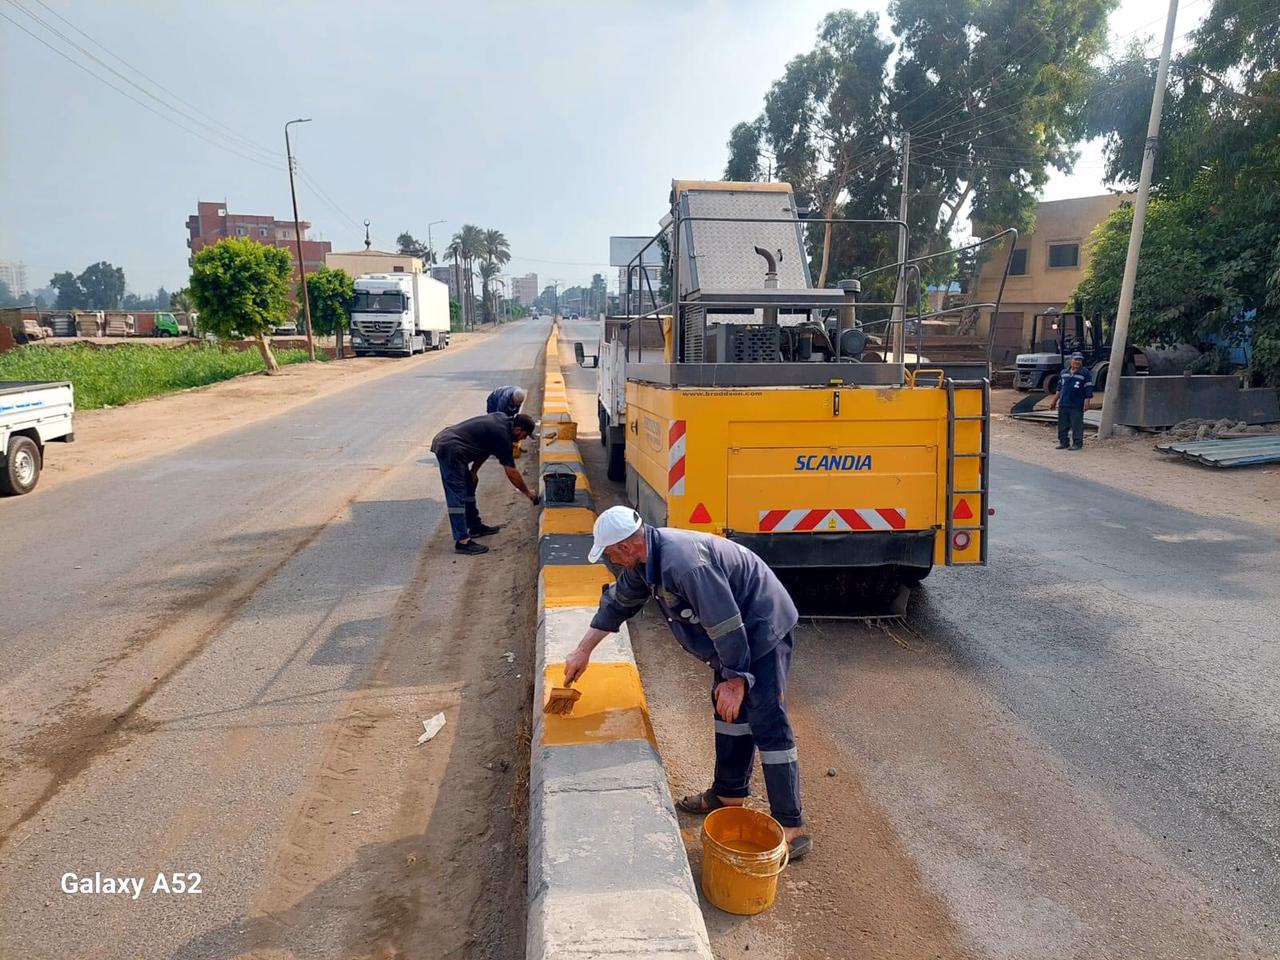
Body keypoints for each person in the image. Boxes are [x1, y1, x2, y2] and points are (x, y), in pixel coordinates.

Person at [563, 506, 811, 861]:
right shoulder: (645, 562)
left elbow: (727, 625)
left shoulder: (684, 563)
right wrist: (582, 651)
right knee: (729, 715)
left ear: (628, 547)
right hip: (734, 636)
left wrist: (737, 679)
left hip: (761, 627)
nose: (610, 559)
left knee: (766, 718)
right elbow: (618, 604)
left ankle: (792, 825)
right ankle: (728, 794)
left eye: (610, 553)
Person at [430, 412, 539, 555]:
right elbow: (511, 472)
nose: (522, 439)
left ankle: (475, 526)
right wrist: (528, 493)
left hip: (453, 444)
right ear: (518, 430)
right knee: (457, 494)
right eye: (524, 436)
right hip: (450, 447)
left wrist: (474, 471)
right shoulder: (503, 436)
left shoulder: (502, 420)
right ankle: (462, 541)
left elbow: (486, 449)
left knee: (469, 485)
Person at [1050, 352, 1094, 450]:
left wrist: (1087, 402)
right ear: (1071, 360)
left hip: (1077, 404)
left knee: (1076, 424)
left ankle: (1077, 444)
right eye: (1076, 359)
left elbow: (1088, 388)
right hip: (1063, 403)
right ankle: (1063, 442)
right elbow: (1059, 388)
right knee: (1062, 424)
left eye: (1080, 360)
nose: (1077, 362)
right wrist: (1054, 401)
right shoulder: (1064, 372)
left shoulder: (1085, 373)